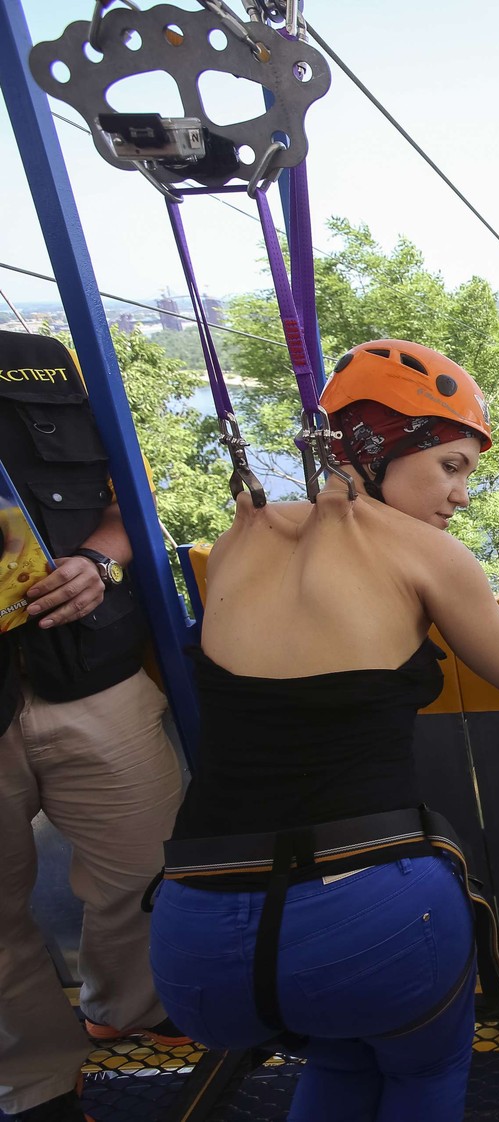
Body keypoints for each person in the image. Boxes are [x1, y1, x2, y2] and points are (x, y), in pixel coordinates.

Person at [147, 339, 499, 1122]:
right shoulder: (426, 553)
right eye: (450, 465)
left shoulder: (241, 538)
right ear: (375, 449)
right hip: (364, 919)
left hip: (197, 936)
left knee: (339, 1048)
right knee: (418, 1071)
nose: (462, 496)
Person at [0, 330, 186, 1122]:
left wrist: (102, 561)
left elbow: (126, 490)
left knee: (156, 865)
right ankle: (38, 1081)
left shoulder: (38, 357)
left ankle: (128, 1006)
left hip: (89, 669)